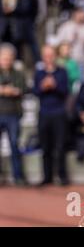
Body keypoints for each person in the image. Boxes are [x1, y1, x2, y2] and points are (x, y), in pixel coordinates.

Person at [33, 45, 70, 186]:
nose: (48, 58)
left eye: (50, 55)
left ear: (55, 56)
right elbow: (35, 92)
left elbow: (65, 92)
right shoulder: (39, 73)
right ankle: (47, 176)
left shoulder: (62, 72)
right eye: (45, 55)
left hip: (59, 113)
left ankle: (62, 176)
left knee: (60, 147)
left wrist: (54, 86)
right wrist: (43, 87)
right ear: (43, 57)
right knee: (45, 147)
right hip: (44, 113)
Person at [0, 43, 27, 186]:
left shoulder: (18, 73)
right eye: (4, 57)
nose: (6, 60)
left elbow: (23, 89)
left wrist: (12, 91)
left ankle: (18, 177)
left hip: (13, 115)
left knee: (15, 145)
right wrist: (5, 90)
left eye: (9, 58)